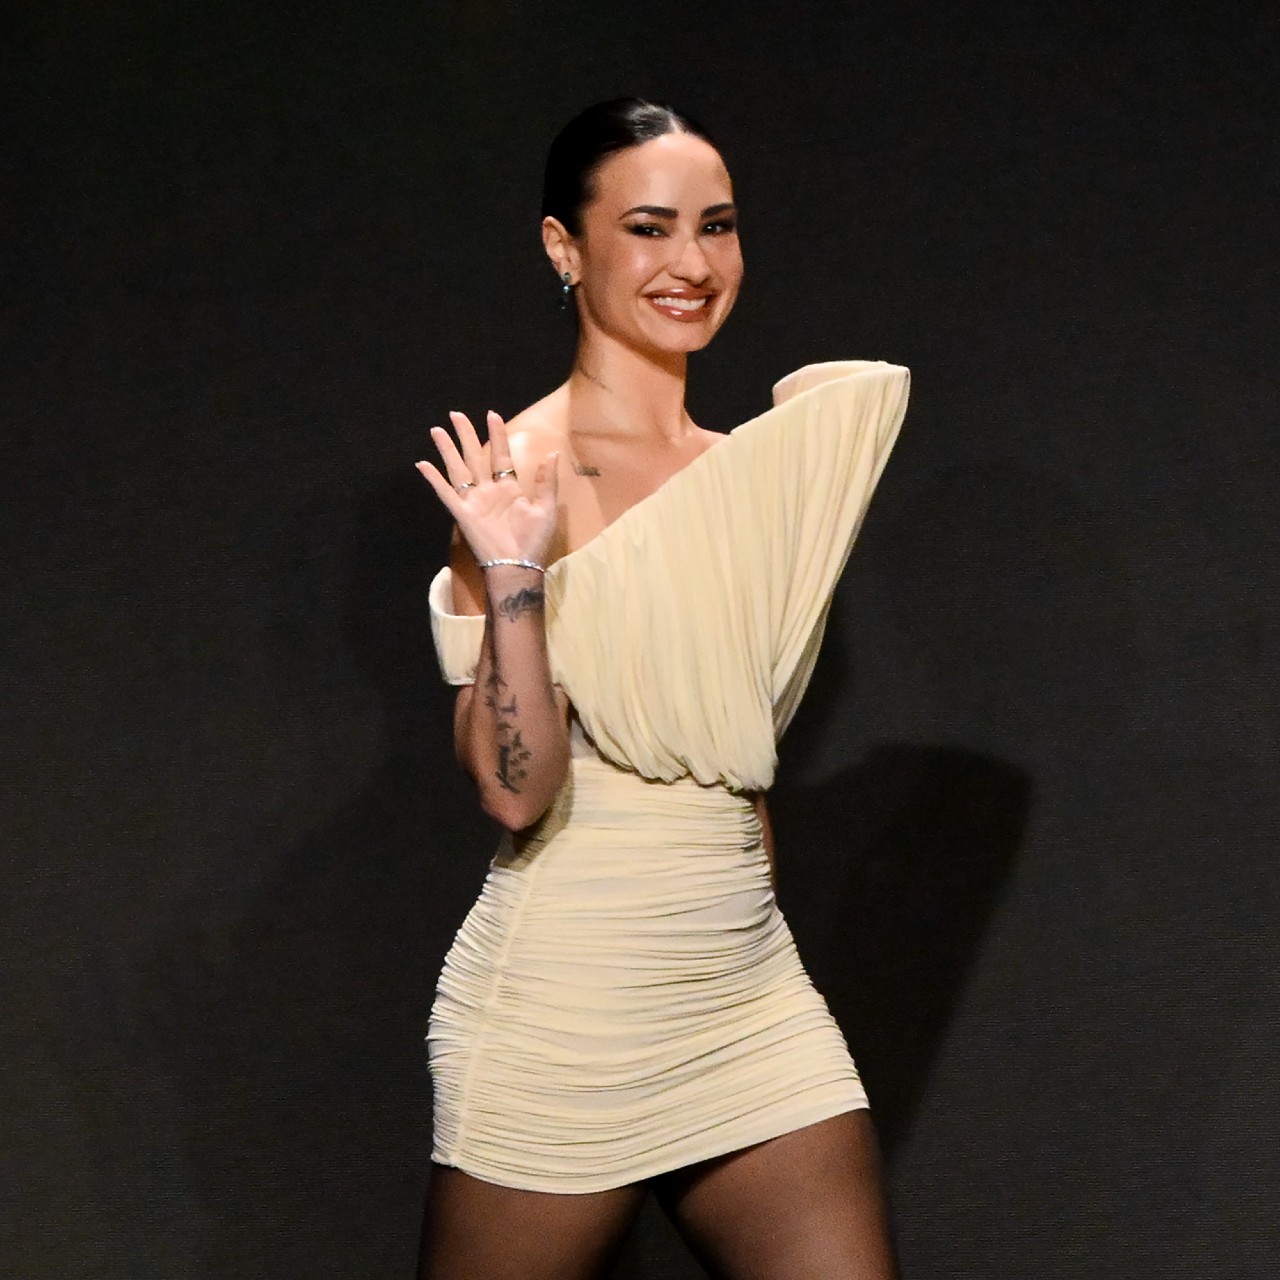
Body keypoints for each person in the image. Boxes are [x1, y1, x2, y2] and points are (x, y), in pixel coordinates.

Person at [414, 98, 910, 1280]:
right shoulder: (518, 471)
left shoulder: (742, 473)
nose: (691, 263)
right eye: (648, 227)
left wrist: (744, 923)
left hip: (739, 990)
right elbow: (511, 792)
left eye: (717, 225)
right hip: (565, 1002)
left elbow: (727, 759)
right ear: (563, 247)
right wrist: (515, 570)